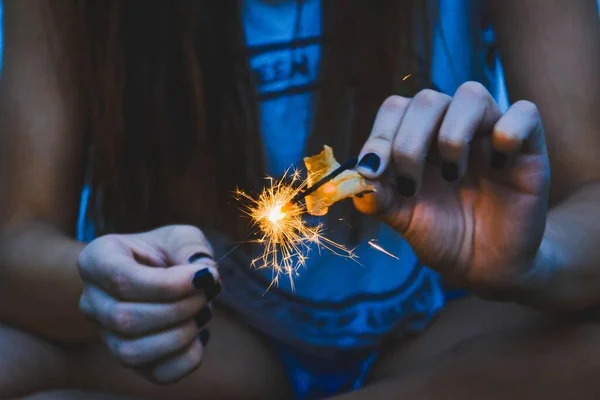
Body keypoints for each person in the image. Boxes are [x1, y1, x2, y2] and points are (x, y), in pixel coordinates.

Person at [0, 0, 599, 399]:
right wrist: (113, 288)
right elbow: (14, 243)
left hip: (442, 335)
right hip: (218, 354)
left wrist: (531, 257)